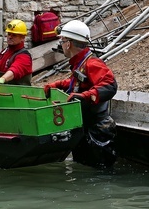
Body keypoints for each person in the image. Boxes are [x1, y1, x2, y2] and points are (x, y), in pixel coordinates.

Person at [43, 20, 118, 168]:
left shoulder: (92, 63)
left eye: (62, 40)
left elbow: (110, 85)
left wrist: (85, 96)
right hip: (87, 126)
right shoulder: (81, 62)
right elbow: (78, 83)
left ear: (69, 44)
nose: (61, 44)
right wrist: (59, 84)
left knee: (101, 173)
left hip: (98, 130)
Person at [0, 19, 33, 86]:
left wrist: (2, 79)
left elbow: (14, 70)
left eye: (14, 35)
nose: (10, 37)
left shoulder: (24, 56)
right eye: (9, 34)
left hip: (17, 93)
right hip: (4, 90)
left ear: (23, 38)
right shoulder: (5, 51)